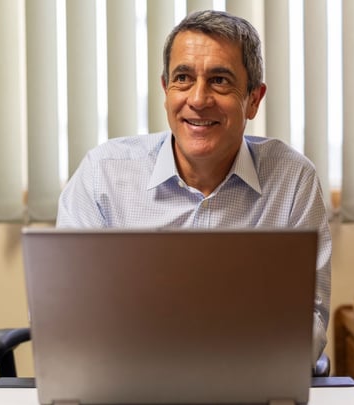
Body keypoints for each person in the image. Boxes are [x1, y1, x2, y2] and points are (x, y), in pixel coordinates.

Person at [56, 10, 331, 365]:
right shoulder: (103, 174)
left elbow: (310, 319)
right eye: (183, 78)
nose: (198, 99)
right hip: (128, 382)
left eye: (220, 80)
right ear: (165, 89)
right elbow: (66, 311)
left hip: (246, 381)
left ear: (253, 99)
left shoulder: (292, 179)